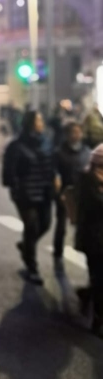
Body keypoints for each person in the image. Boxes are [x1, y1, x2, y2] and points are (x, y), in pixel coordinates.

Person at [2, 110, 55, 285]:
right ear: (30, 122)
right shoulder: (16, 146)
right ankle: (32, 267)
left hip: (45, 191)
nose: (41, 123)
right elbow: (9, 172)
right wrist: (16, 190)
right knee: (31, 227)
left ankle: (26, 246)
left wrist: (55, 180)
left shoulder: (46, 142)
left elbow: (51, 164)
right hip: (25, 194)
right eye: (38, 120)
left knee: (45, 224)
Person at [53, 122, 91, 277]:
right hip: (65, 193)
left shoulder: (87, 152)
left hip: (82, 195)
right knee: (61, 225)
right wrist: (56, 179)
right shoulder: (59, 152)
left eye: (78, 132)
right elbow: (53, 170)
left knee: (83, 227)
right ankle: (58, 253)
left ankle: (83, 250)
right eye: (73, 132)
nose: (76, 135)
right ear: (67, 134)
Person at [75, 144, 103, 338]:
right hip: (93, 239)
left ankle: (87, 295)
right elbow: (94, 205)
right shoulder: (87, 178)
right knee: (99, 278)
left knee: (99, 279)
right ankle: (99, 320)